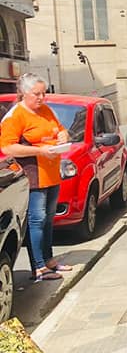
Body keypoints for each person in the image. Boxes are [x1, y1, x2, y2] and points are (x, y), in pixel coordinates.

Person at [0, 73, 71, 282]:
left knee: (48, 219)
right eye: (36, 94)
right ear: (24, 93)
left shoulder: (46, 110)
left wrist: (63, 136)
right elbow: (8, 147)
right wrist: (39, 151)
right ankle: (38, 266)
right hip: (33, 175)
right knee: (37, 220)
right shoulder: (16, 116)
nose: (41, 97)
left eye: (43, 93)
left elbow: (61, 129)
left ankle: (48, 260)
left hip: (51, 172)